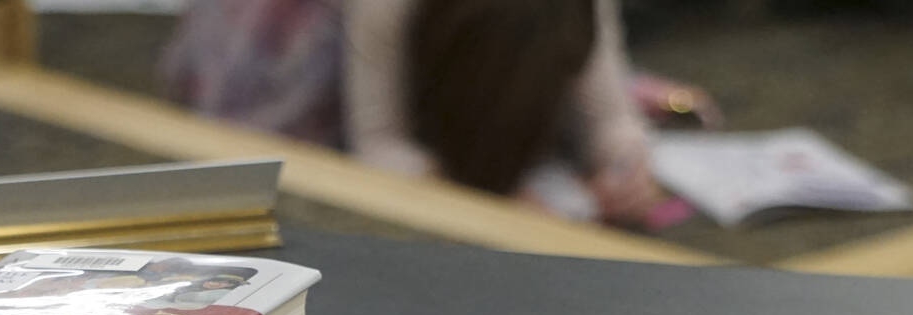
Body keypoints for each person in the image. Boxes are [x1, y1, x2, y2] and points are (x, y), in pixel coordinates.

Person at [158, 0, 677, 226]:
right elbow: (379, 139)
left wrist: (625, 164)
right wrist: (484, 202)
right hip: (326, 42)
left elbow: (609, 109)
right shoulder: (390, 11)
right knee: (300, 169)